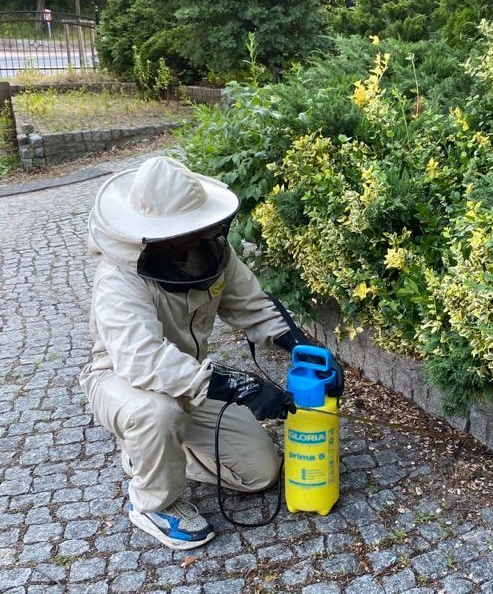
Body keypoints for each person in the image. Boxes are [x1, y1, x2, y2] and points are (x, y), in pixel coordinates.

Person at [79, 156, 343, 550]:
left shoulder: (209, 252)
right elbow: (143, 360)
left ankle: (157, 454)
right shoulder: (118, 280)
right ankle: (153, 502)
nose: (205, 232)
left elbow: (253, 304)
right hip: (120, 380)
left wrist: (302, 347)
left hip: (189, 380)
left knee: (261, 473)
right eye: (190, 228)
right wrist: (236, 385)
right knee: (158, 412)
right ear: (156, 233)